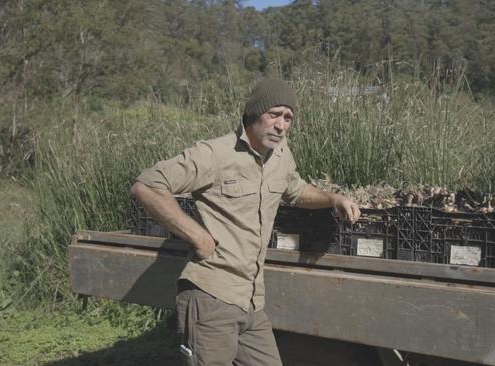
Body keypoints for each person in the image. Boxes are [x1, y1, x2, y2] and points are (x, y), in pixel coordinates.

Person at [130, 78, 361, 366]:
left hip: (252, 301)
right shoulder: (216, 153)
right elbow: (148, 186)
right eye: (274, 114)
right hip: (212, 297)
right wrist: (198, 237)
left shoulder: (280, 155)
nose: (281, 125)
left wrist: (333, 199)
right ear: (254, 114)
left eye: (288, 118)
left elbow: (296, 189)